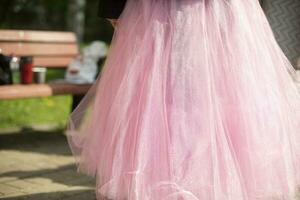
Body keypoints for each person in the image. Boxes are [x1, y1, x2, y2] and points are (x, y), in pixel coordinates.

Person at [66, 0, 300, 199]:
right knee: (196, 91)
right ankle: (195, 183)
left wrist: (114, 7)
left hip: (180, 9)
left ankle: (188, 182)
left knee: (183, 91)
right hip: (197, 9)